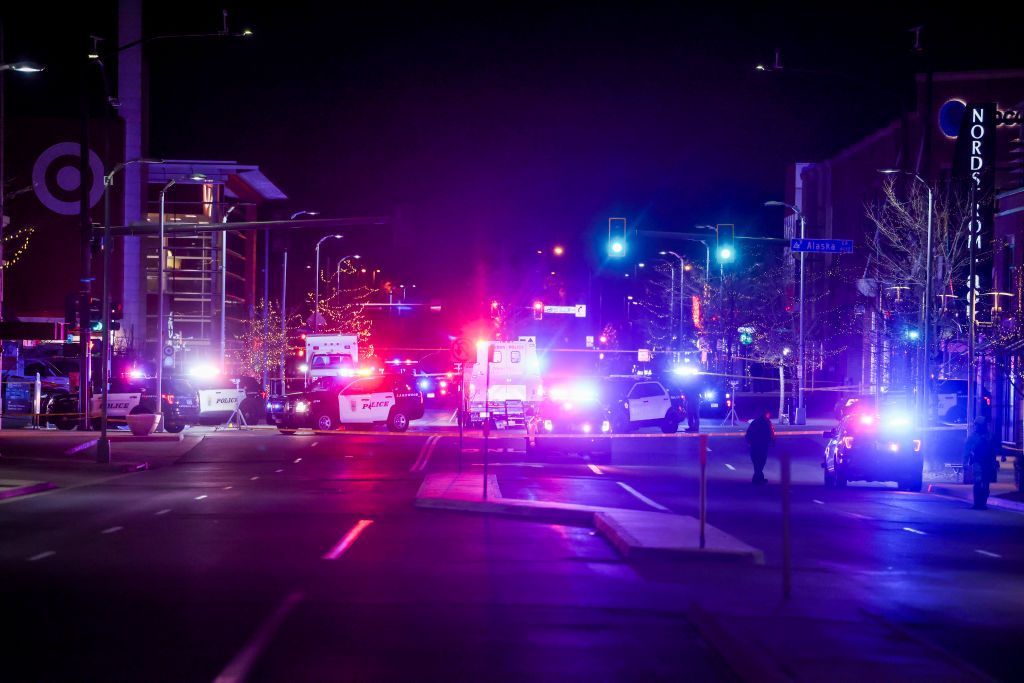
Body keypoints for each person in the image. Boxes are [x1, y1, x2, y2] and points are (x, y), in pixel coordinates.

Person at [964, 416, 997, 510]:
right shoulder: (972, 437)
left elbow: (995, 447)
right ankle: (977, 503)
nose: (976, 427)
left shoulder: (990, 435)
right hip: (977, 462)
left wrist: (1000, 457)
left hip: (988, 462)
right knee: (977, 482)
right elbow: (966, 450)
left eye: (978, 425)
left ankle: (983, 503)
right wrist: (965, 462)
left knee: (986, 483)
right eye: (976, 425)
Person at [745, 410, 776, 484]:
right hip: (763, 444)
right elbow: (771, 433)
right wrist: (773, 441)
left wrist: (749, 442)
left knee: (756, 461)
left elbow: (748, 433)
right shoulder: (767, 423)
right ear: (767, 414)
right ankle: (758, 478)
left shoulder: (755, 422)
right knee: (761, 461)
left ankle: (758, 477)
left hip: (754, 444)